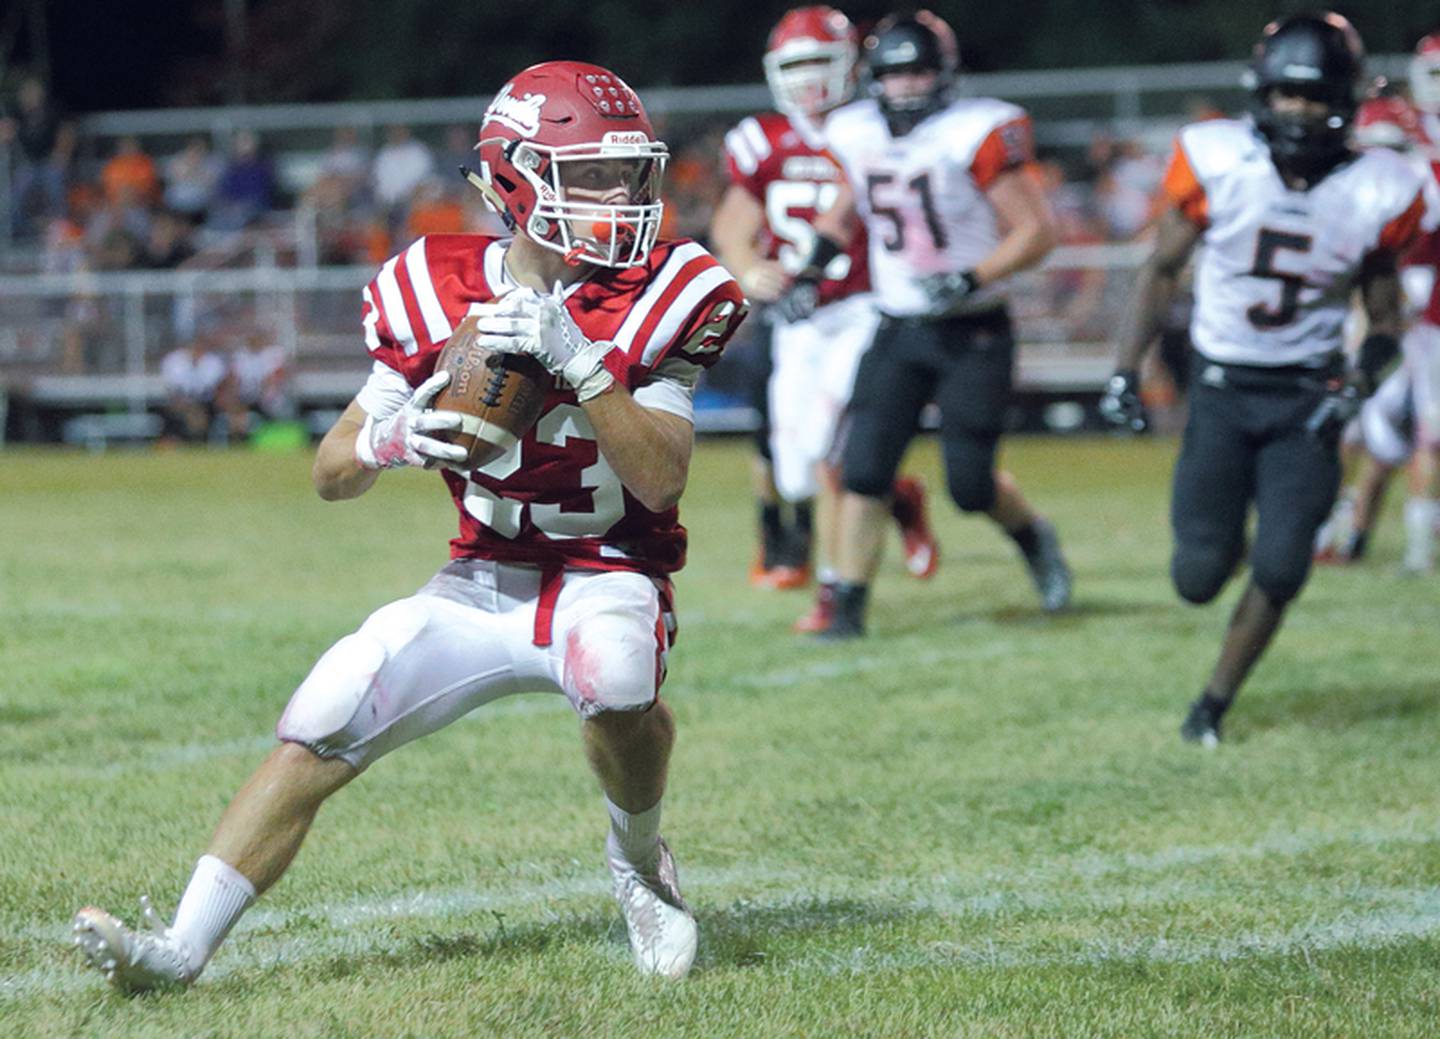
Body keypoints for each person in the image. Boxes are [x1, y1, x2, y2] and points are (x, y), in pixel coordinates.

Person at [71, 60, 747, 990]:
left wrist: (582, 364)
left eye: (628, 171)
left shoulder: (677, 287)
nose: (621, 195)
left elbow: (662, 479)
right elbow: (329, 471)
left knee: (619, 675)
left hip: (605, 570)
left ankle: (638, 864)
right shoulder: (429, 283)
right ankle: (181, 948)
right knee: (331, 703)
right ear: (514, 179)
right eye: (589, 172)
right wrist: (391, 436)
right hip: (479, 580)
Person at [1100, 12, 1426, 745]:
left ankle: (1213, 704)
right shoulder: (1220, 160)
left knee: (1282, 566)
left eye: (1313, 97)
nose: (1299, 111)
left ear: (1346, 97)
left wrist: (1363, 375)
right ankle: (1232, 540)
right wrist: (1124, 370)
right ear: (1261, 93)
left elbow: (1383, 318)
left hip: (1307, 398)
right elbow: (1159, 270)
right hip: (1221, 390)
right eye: (1286, 95)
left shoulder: (1381, 187)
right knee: (1197, 576)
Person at [789, 9, 1072, 639]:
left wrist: (970, 277)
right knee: (863, 468)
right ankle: (850, 610)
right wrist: (805, 272)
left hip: (973, 330)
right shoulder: (858, 132)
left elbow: (1037, 231)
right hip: (898, 326)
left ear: (944, 75)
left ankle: (1034, 537)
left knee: (969, 486)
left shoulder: (973, 132)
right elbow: (844, 214)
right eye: (895, 75)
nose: (908, 87)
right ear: (874, 80)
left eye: (919, 73)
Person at [711, 5, 939, 630]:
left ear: (851, 65)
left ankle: (837, 593)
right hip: (796, 319)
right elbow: (733, 223)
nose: (810, 80)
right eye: (797, 65)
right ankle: (898, 496)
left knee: (828, 450)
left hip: (863, 307)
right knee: (795, 473)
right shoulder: (762, 139)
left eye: (822, 62)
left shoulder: (874, 128)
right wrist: (746, 265)